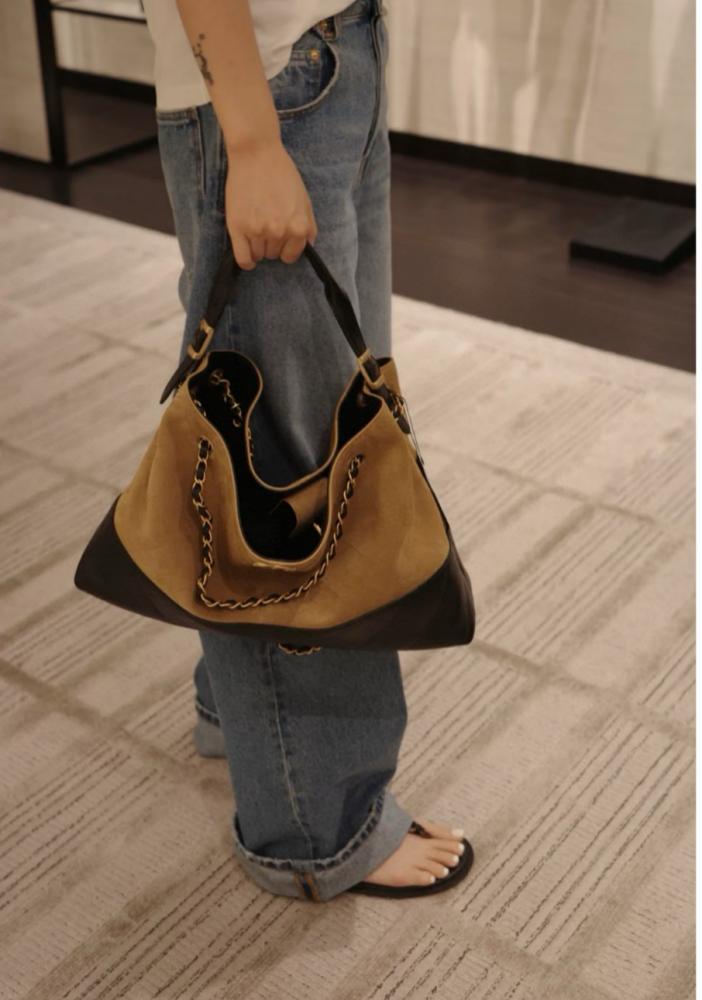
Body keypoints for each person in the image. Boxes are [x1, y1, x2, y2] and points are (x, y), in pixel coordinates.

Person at [142, 0, 470, 901]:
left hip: (336, 48)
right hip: (268, 77)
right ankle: (314, 824)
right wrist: (251, 142)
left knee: (347, 429)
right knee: (292, 479)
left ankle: (241, 711)